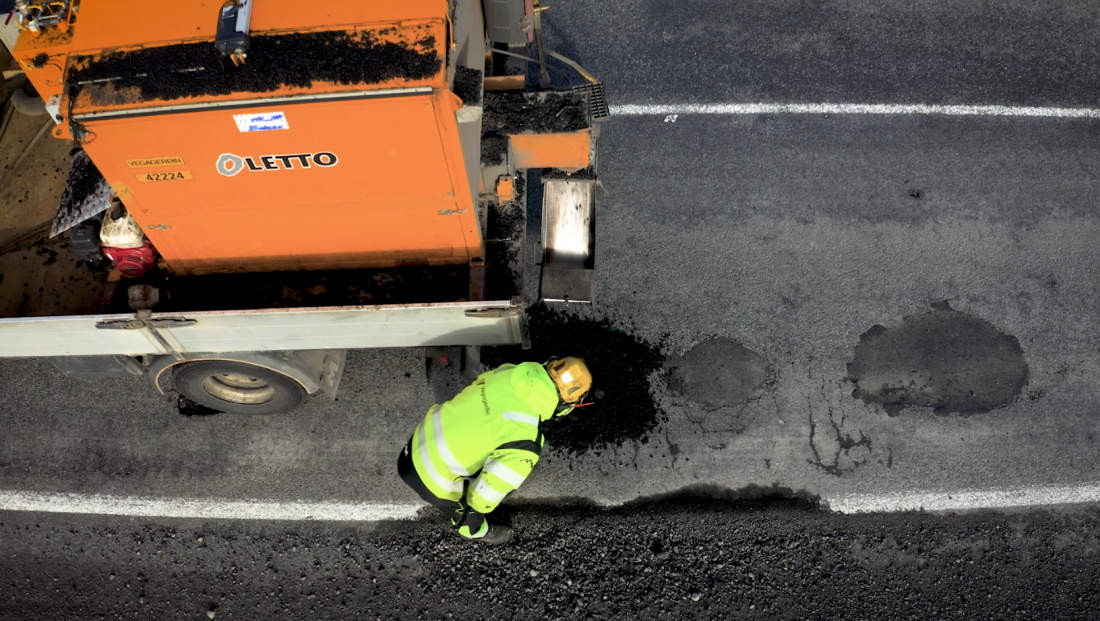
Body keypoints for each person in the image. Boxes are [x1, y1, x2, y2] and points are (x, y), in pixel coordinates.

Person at [397, 356, 593, 543]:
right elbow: (485, 497)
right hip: (429, 479)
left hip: (418, 440)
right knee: (489, 499)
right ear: (566, 406)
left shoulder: (509, 371)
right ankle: (476, 531)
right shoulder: (526, 441)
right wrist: (479, 507)